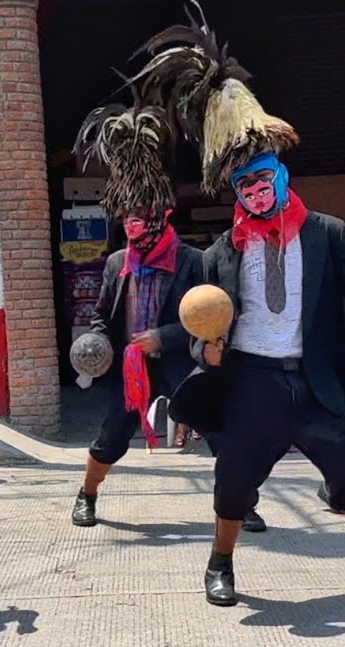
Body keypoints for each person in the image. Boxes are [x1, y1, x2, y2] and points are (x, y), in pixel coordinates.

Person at [134, 4, 345, 611]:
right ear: (236, 192)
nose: (255, 192)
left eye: (264, 180)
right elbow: (202, 324)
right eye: (244, 186)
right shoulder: (218, 254)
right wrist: (208, 347)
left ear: (282, 175)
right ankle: (220, 563)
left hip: (316, 380)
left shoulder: (327, 233)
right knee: (233, 482)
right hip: (252, 379)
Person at [68, 100, 212, 527]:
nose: (136, 228)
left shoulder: (191, 261)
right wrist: (94, 345)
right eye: (128, 221)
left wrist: (163, 338)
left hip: (178, 359)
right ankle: (86, 495)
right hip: (130, 367)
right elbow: (100, 317)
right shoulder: (117, 263)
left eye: (143, 220)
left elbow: (203, 318)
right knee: (111, 436)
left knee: (216, 426)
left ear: (162, 217)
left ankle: (242, 501)